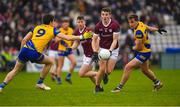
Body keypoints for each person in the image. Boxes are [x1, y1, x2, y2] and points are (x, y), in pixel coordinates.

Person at [0, 14, 93, 92]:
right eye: (53, 21)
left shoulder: (37, 27)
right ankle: (40, 83)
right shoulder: (52, 30)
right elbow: (67, 38)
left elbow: (24, 40)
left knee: (15, 70)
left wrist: (21, 53)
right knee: (50, 62)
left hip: (24, 49)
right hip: (34, 52)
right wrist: (82, 37)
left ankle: (1, 86)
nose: (54, 23)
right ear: (50, 22)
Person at [111, 14, 166, 92]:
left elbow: (138, 47)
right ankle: (157, 83)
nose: (130, 24)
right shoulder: (141, 23)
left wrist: (132, 47)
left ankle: (119, 87)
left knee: (127, 67)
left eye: (132, 22)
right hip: (145, 51)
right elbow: (148, 28)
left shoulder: (138, 32)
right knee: (145, 70)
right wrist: (157, 29)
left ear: (136, 21)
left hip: (143, 53)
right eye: (129, 22)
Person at [91, 7, 120, 92]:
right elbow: (94, 40)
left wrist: (110, 51)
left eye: (106, 15)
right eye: (103, 14)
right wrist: (95, 52)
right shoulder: (98, 26)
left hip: (113, 49)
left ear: (110, 15)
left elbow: (115, 40)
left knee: (109, 71)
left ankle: (106, 75)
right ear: (101, 15)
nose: (105, 16)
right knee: (102, 69)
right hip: (102, 49)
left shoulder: (115, 25)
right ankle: (97, 87)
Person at [71, 16, 97, 84]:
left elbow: (96, 39)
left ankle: (100, 73)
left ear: (84, 22)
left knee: (81, 74)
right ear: (76, 23)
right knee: (89, 74)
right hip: (86, 54)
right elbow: (76, 42)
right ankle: (99, 87)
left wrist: (96, 51)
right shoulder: (77, 31)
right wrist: (70, 48)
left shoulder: (88, 30)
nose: (80, 23)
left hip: (91, 54)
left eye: (81, 22)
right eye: (78, 22)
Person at [56, 17, 76, 84]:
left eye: (67, 23)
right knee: (60, 66)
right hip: (61, 50)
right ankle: (58, 78)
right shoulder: (59, 30)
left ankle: (68, 76)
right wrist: (62, 41)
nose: (65, 24)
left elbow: (73, 39)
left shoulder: (71, 30)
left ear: (68, 24)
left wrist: (75, 46)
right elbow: (56, 40)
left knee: (74, 62)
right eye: (64, 23)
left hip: (69, 50)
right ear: (62, 24)